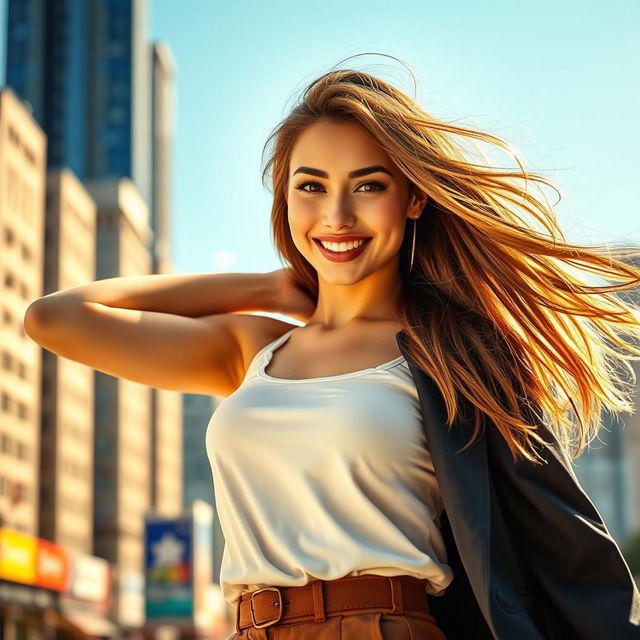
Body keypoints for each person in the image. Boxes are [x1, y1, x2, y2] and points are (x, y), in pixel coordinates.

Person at [23, 54, 640, 639]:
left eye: (368, 186)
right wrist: (262, 286)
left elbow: (561, 542)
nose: (337, 215)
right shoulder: (254, 350)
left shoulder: (455, 356)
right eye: (310, 187)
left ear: (414, 197)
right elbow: (56, 318)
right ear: (284, 200)